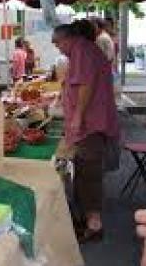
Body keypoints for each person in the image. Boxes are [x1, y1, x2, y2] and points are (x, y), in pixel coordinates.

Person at [52, 19, 119, 244]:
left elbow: (86, 84)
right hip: (90, 124)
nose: (57, 48)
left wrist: (78, 115)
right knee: (83, 172)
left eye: (57, 43)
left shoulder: (82, 50)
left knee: (89, 174)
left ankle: (94, 225)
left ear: (68, 38)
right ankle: (85, 220)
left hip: (90, 125)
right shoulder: (85, 50)